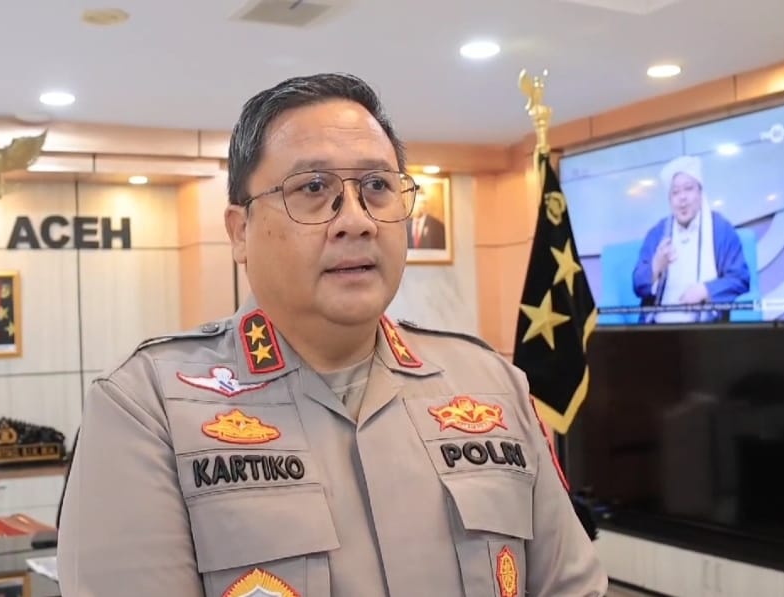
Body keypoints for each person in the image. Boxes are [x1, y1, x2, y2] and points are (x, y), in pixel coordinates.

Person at [56, 73, 608, 597]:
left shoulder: (491, 384)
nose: (357, 220)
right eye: (314, 187)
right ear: (240, 231)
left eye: (377, 186)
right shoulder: (147, 407)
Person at [632, 155, 750, 323]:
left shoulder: (721, 229)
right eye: (675, 192)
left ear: (700, 193)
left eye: (688, 189)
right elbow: (638, 286)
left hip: (705, 330)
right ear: (670, 200)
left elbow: (740, 279)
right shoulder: (658, 233)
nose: (682, 198)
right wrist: (656, 266)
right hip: (658, 329)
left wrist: (706, 290)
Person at [405, 184, 446, 249]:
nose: (419, 206)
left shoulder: (437, 226)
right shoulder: (405, 226)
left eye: (422, 202)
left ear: (425, 204)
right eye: (417, 202)